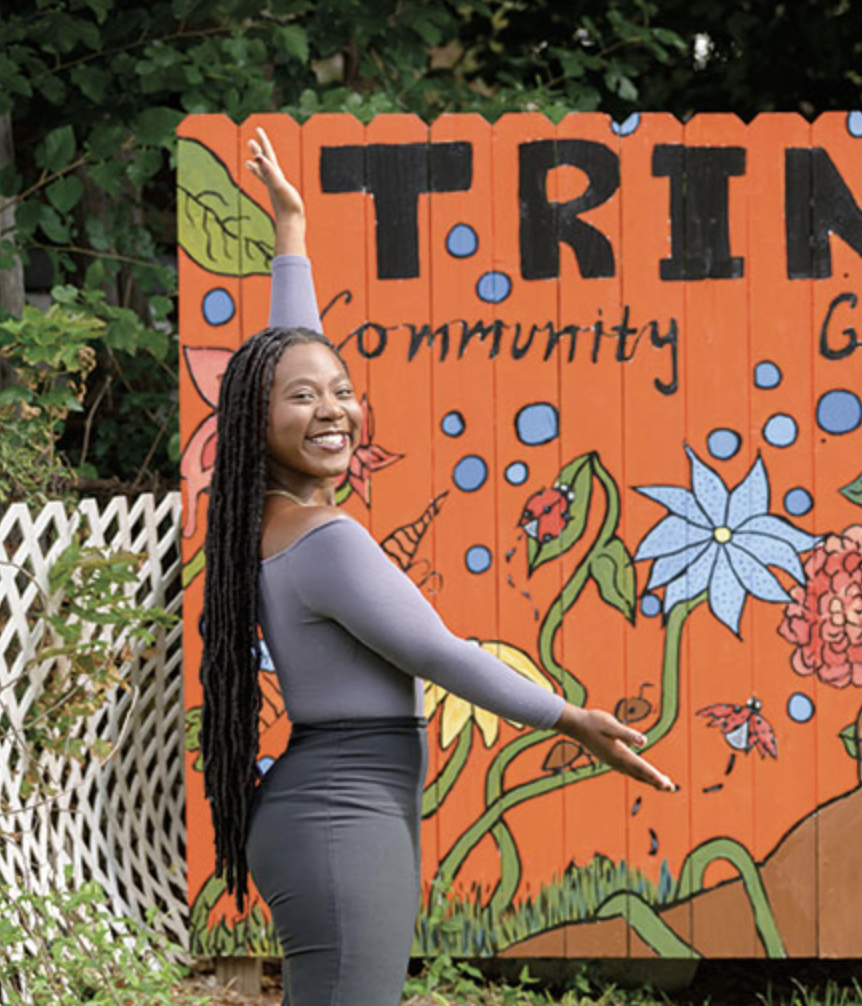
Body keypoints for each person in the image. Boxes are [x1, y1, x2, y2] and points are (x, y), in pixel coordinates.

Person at [198, 127, 677, 1006]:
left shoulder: (261, 520)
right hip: (346, 816)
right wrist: (569, 718)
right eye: (306, 399)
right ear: (255, 421)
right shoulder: (327, 540)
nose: (334, 408)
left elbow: (284, 362)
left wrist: (291, 233)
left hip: (326, 805)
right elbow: (440, 654)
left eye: (342, 388)